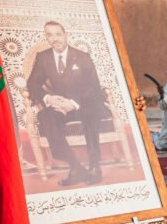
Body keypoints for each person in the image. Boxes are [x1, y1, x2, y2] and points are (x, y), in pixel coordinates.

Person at [26, 20, 108, 186]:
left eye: (58, 34)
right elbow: (32, 83)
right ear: (46, 38)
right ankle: (76, 167)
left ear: (66, 35)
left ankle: (94, 166)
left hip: (85, 103)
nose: (54, 38)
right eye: (49, 35)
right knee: (46, 115)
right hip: (61, 105)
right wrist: (49, 99)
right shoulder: (43, 57)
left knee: (90, 113)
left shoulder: (82, 56)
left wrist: (73, 103)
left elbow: (93, 87)